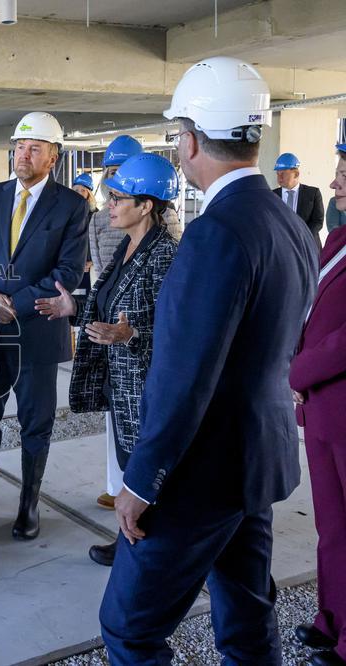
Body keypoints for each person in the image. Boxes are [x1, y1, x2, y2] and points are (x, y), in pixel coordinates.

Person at [99, 56, 317, 665]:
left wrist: (141, 480)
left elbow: (183, 377)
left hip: (200, 476)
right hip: (256, 463)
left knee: (128, 629)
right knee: (246, 620)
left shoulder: (216, 233)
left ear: (189, 139)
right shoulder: (288, 221)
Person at [0, 111, 88, 540]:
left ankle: (29, 507)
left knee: (36, 423)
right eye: (18, 147)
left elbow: (69, 272)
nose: (22, 155)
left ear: (54, 157)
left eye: (34, 148)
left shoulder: (71, 206)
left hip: (37, 332)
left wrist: (17, 303)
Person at [38, 154, 179, 568]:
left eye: (118, 198)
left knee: (148, 472)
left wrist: (131, 335)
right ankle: (133, 542)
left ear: (146, 206)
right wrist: (73, 311)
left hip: (146, 386)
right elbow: (109, 306)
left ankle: (148, 552)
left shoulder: (165, 256)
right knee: (130, 467)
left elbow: (179, 332)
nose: (109, 205)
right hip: (120, 383)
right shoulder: (127, 248)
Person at [290, 142, 346, 666]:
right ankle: (333, 620)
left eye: (343, 173)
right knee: (331, 526)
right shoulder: (339, 241)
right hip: (324, 410)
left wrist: (297, 369)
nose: (333, 184)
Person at [89, 135, 142, 277]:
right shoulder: (98, 220)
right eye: (114, 172)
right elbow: (101, 275)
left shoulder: (163, 214)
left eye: (126, 171)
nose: (120, 180)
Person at [273, 152, 326, 249]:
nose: (279, 178)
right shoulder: (272, 196)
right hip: (281, 248)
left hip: (308, 247)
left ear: (296, 174)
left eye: (283, 174)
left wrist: (302, 237)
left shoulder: (313, 193)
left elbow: (318, 221)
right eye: (277, 174)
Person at [72, 172, 98, 293]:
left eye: (82, 190)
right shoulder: (66, 214)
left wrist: (90, 261)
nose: (78, 193)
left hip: (90, 267)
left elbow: (97, 240)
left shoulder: (96, 216)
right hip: (72, 265)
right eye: (76, 189)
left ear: (89, 194)